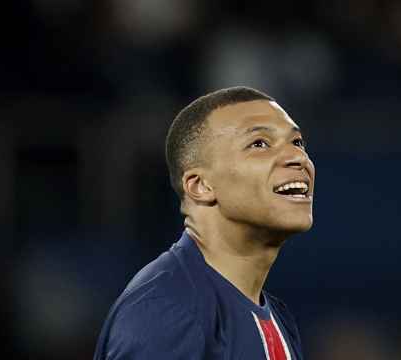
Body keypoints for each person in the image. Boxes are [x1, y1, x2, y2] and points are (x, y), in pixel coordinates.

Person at [93, 86, 315, 359]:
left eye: (297, 143)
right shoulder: (169, 310)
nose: (297, 158)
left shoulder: (278, 318)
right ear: (200, 186)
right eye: (259, 144)